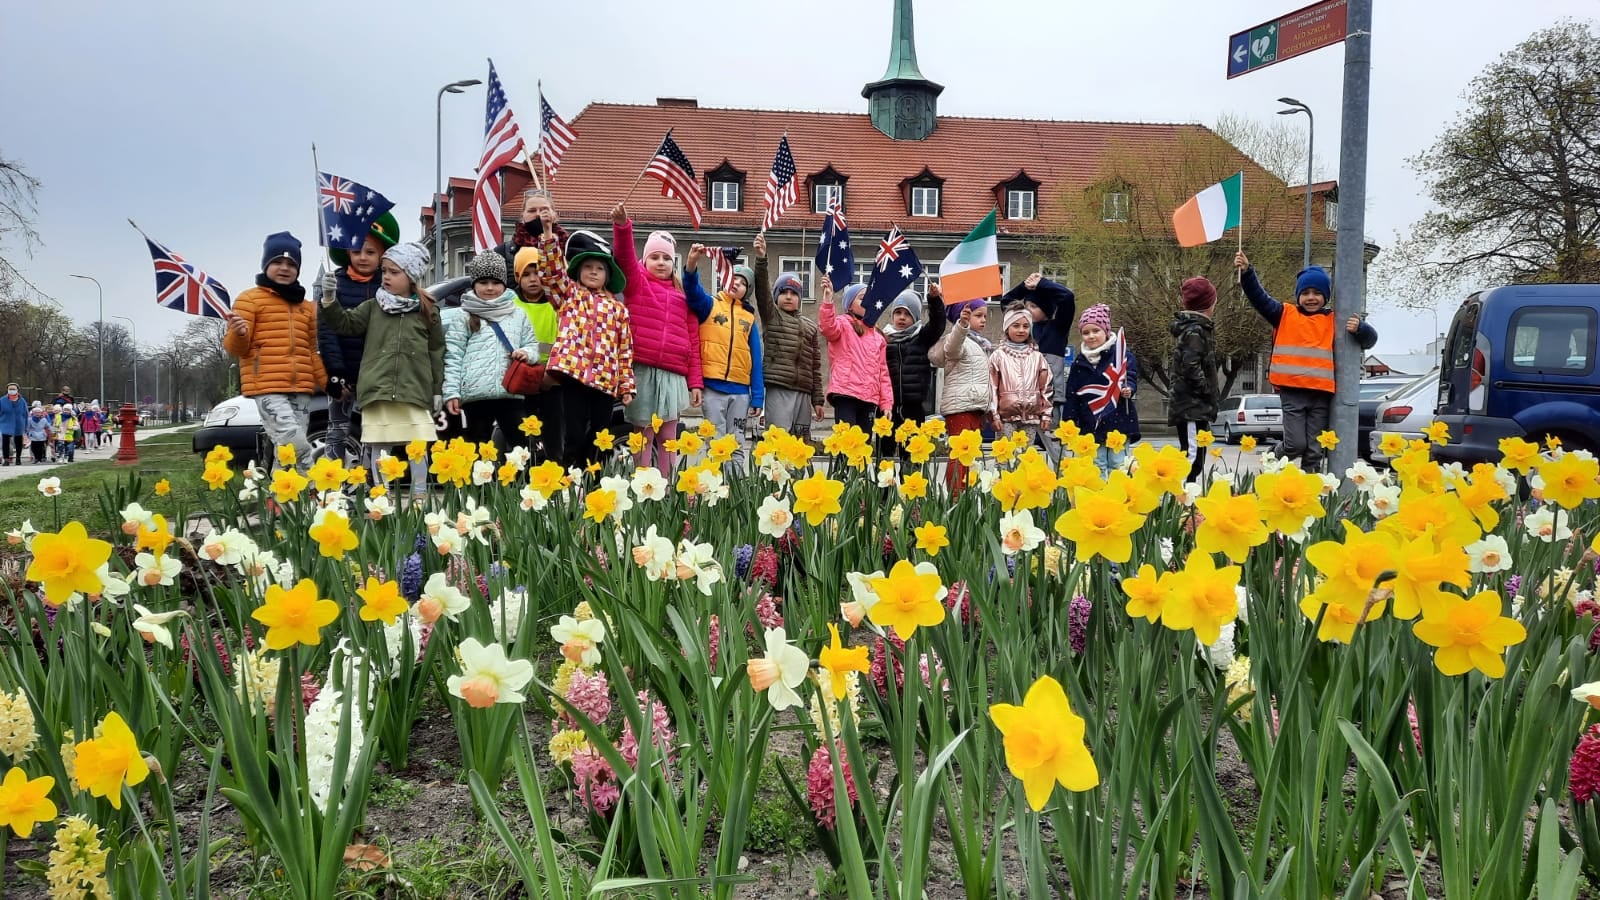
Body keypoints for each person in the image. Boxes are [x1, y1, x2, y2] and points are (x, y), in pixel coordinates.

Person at [317, 242, 446, 498]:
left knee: (418, 445)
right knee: (380, 444)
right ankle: (381, 495)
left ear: (411, 277)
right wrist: (329, 300)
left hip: (414, 390)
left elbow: (436, 352)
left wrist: (436, 389)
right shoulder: (373, 306)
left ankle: (419, 497)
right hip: (378, 389)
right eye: (385, 271)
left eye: (394, 272)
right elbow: (345, 324)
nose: (386, 276)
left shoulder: (428, 311)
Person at [1235, 251, 1378, 471]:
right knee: (1295, 445)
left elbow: (1369, 340)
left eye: (1317, 293)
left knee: (1314, 450)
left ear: (1326, 296)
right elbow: (1259, 299)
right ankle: (1271, 459)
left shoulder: (1335, 320)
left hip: (1321, 395)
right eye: (1306, 293)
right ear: (1298, 295)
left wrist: (1361, 329)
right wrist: (1247, 273)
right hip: (1293, 392)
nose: (1311, 297)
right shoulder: (1284, 314)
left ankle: (1312, 490)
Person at [222, 231, 327, 471]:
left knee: (286, 454)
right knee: (296, 444)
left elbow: (311, 351)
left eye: (291, 264)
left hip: (301, 388)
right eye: (277, 262)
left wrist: (327, 383)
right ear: (266, 264)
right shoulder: (249, 300)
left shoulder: (307, 308)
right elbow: (236, 348)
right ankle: (314, 487)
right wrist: (238, 333)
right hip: (267, 386)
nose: (284, 268)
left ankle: (284, 504)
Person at [610, 204, 703, 474]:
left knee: (668, 439)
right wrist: (623, 227)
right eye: (655, 257)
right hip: (643, 370)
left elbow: (693, 343)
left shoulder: (683, 297)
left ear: (674, 263)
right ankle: (643, 489)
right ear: (645, 261)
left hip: (674, 376)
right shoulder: (637, 285)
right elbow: (625, 258)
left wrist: (695, 382)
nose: (661, 262)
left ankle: (667, 491)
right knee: (644, 435)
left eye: (666, 258)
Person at [535, 222, 636, 468]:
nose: (593, 272)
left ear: (607, 275)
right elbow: (550, 274)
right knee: (574, 433)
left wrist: (627, 386)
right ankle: (572, 480)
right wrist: (548, 235)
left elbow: (625, 350)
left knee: (600, 435)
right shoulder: (568, 296)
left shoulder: (618, 309)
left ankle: (593, 481)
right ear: (577, 270)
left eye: (599, 268)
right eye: (587, 267)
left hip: (605, 381)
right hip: (574, 376)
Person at [317, 211, 399, 460]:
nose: (363, 257)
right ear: (347, 254)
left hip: (376, 374)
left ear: (382, 254)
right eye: (357, 251)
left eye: (370, 252)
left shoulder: (389, 285)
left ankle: (368, 482)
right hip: (345, 373)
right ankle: (333, 486)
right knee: (338, 428)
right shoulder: (336, 285)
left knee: (373, 430)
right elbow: (327, 332)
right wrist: (335, 373)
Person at [441, 251, 539, 447]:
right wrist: (452, 392)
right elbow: (453, 356)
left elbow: (532, 345)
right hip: (475, 396)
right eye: (483, 282)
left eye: (495, 282)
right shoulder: (464, 315)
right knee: (475, 448)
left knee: (522, 449)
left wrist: (526, 354)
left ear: (504, 283)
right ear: (474, 284)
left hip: (510, 393)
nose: (490, 288)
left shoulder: (518, 314)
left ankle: (521, 478)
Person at [685, 244, 763, 473]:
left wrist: (757, 397)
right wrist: (691, 265)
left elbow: (756, 360)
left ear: (747, 291)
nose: (736, 283)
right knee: (716, 442)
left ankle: (736, 489)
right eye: (733, 278)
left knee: (737, 441)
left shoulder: (749, 318)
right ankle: (715, 490)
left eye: (743, 283)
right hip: (712, 388)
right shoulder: (709, 304)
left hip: (740, 391)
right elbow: (691, 289)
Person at [750, 234, 823, 441]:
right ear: (777, 296)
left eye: (794, 293)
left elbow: (815, 366)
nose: (789, 296)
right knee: (777, 443)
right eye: (784, 292)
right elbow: (762, 291)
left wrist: (817, 399)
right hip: (779, 388)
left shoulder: (810, 327)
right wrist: (761, 258)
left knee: (800, 445)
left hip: (804, 392)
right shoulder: (772, 316)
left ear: (800, 298)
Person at [1002, 274, 1076, 463]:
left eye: (1033, 307)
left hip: (1048, 400)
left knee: (1055, 447)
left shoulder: (1057, 329)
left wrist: (1041, 284)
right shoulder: (1021, 331)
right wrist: (1025, 286)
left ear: (1046, 310)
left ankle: (1065, 483)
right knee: (1017, 448)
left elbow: (1067, 297)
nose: (1027, 310)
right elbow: (1006, 301)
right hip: (1020, 399)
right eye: (1025, 306)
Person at [1063, 304, 1140, 475]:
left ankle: (1118, 498)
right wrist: (1069, 422)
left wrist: (1129, 388)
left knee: (1118, 464)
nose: (1091, 336)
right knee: (1096, 466)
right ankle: (1099, 499)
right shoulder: (1080, 362)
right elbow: (1073, 394)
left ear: (1105, 330)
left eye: (1095, 331)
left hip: (1117, 419)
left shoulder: (1122, 355)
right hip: (1089, 421)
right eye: (1086, 332)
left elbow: (1131, 376)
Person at [929, 299, 994, 494]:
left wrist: (988, 407)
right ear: (962, 316)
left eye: (984, 316)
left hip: (974, 407)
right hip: (960, 408)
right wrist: (962, 325)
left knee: (969, 456)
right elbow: (952, 349)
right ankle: (955, 496)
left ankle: (964, 498)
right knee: (959, 454)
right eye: (978, 315)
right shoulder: (960, 339)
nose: (983, 320)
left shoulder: (980, 344)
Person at [817, 282, 893, 430]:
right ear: (849, 305)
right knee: (846, 441)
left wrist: (886, 403)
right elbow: (827, 328)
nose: (867, 302)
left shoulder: (878, 336)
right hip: (846, 394)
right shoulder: (843, 324)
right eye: (862, 298)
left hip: (869, 398)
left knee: (862, 445)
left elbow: (883, 373)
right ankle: (841, 454)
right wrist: (827, 300)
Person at [1168, 278, 1222, 483]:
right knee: (1191, 458)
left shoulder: (1198, 329)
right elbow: (1191, 366)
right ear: (1211, 303)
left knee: (1196, 457)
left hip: (1195, 405)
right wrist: (1207, 390)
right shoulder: (1195, 330)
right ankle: (1181, 502)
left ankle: (1186, 500)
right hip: (1191, 406)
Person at [881, 284, 946, 449]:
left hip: (914, 406)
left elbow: (938, 324)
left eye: (907, 314)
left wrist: (934, 300)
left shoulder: (921, 338)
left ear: (915, 317)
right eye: (898, 312)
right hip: (888, 406)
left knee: (912, 455)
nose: (902, 317)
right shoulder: (883, 339)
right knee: (885, 455)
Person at [512, 246, 561, 458]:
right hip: (520, 379)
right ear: (517, 277)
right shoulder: (510, 304)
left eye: (538, 273)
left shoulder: (555, 304)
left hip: (552, 379)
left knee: (554, 432)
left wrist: (553, 373)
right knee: (521, 435)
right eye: (527, 274)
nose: (533, 279)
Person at [989, 306, 1053, 446]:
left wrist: (1046, 414)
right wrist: (994, 415)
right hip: (1006, 418)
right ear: (1007, 328)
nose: (1021, 330)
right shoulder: (998, 356)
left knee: (1025, 459)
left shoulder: (1037, 357)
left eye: (1025, 326)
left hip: (1031, 417)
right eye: (1016, 326)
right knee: (1005, 457)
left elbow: (1046, 388)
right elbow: (991, 388)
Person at [495, 189, 569, 274]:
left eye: (544, 210)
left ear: (554, 215)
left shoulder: (569, 247)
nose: (538, 214)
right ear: (523, 215)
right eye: (532, 211)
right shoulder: (504, 252)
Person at [0, 384, 26, 466]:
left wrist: (25, 424)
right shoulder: (2, 400)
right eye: (10, 389)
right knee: (5, 441)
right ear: (7, 390)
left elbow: (25, 413)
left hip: (19, 422)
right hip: (6, 422)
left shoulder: (22, 400)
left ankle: (18, 458)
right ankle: (6, 459)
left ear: (17, 390)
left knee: (18, 441)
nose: (12, 390)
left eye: (13, 389)